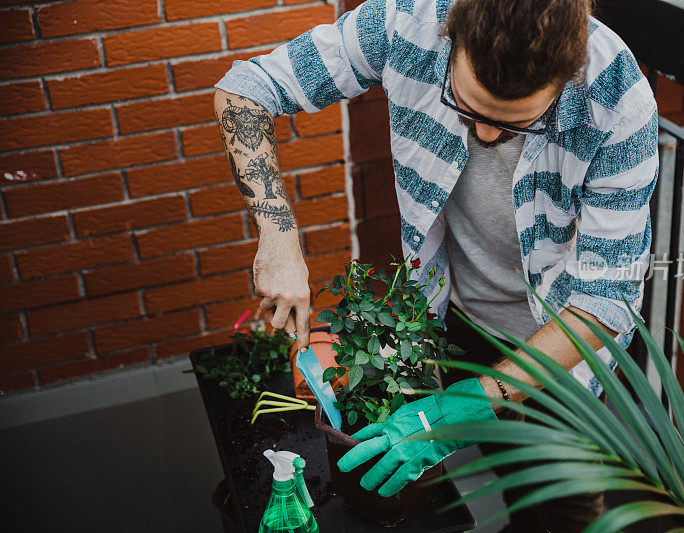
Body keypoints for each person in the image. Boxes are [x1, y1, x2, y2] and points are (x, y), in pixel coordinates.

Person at [213, 0, 657, 529]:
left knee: (560, 514)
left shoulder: (617, 101)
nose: (486, 137)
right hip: (444, 315)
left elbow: (607, 303)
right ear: (451, 33)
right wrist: (279, 237)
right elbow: (245, 89)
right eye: (468, 109)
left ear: (570, 73)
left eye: (517, 123)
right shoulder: (407, 22)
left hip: (561, 355)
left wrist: (463, 407)